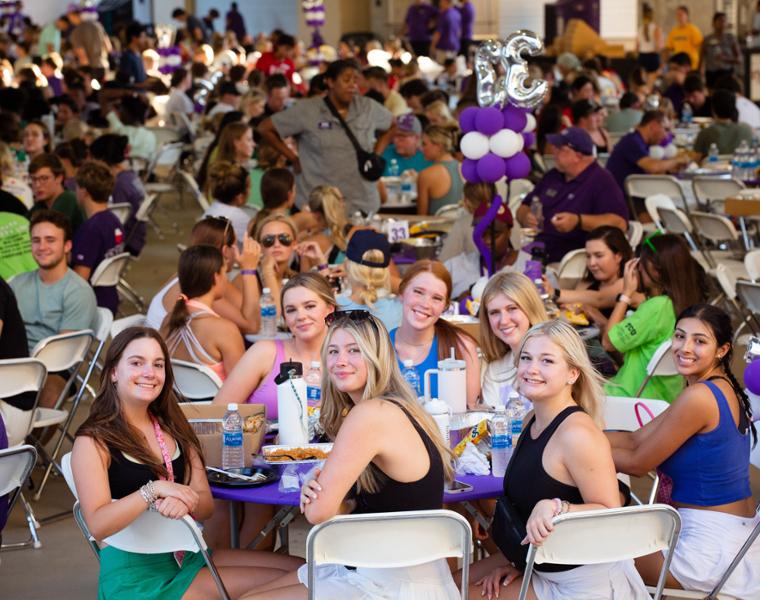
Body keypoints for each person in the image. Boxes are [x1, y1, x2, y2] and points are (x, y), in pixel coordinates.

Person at [240, 309, 459, 599]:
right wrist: (328, 497)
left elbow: (318, 514)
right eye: (333, 351)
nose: (340, 361)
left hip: (394, 583)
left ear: (376, 356)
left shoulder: (370, 414)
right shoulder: (397, 406)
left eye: (354, 350)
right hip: (389, 570)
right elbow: (357, 506)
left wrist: (319, 495)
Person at [71, 327, 302, 599]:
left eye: (158, 365)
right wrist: (154, 490)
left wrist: (185, 499)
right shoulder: (93, 441)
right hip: (137, 575)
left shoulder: (173, 426)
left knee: (304, 570)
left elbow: (205, 506)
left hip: (187, 554)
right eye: (136, 363)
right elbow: (98, 524)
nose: (149, 372)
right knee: (298, 587)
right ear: (113, 372)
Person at [465, 320, 649, 600]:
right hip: (542, 563)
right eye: (526, 358)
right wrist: (517, 562)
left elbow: (610, 512)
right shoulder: (531, 420)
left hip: (584, 583)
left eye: (547, 361)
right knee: (447, 586)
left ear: (572, 374)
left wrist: (557, 507)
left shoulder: (577, 434)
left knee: (451, 593)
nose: (531, 369)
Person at [608, 304, 758, 597]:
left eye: (699, 341)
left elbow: (638, 462)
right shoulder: (713, 387)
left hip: (707, 549)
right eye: (679, 336)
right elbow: (636, 440)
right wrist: (574, 433)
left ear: (722, 350)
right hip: (728, 536)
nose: (684, 347)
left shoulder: (700, 397)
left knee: (588, 557)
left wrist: (569, 453)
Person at [208, 274, 337, 549]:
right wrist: (263, 430)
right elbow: (220, 412)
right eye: (291, 310)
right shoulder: (266, 352)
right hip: (265, 463)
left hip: (328, 464)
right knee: (258, 515)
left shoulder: (344, 357)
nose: (300, 315)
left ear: (330, 309)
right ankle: (237, 578)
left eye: (309, 306)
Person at [258, 59, 394, 216]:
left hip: (360, 202)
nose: (352, 85)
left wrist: (376, 154)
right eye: (346, 79)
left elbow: (393, 125)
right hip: (319, 207)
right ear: (330, 82)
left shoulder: (368, 107)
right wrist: (293, 158)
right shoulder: (307, 110)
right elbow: (265, 128)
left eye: (355, 80)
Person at [603, 233, 707, 402]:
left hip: (629, 398)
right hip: (662, 400)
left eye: (641, 264)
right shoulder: (688, 304)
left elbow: (608, 343)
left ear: (656, 272)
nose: (638, 269)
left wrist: (626, 294)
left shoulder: (656, 308)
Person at [11, 210, 97, 410]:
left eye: (50, 240)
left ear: (67, 246)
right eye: (36, 240)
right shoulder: (17, 283)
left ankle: (29, 442)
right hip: (14, 359)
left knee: (50, 395)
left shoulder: (78, 291)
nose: (42, 247)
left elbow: (63, 353)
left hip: (54, 367)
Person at [517, 127, 628, 264]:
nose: (554, 152)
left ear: (578, 156)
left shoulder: (602, 181)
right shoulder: (553, 176)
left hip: (572, 258)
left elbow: (619, 223)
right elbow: (523, 207)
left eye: (560, 149)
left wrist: (578, 221)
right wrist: (526, 217)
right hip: (536, 250)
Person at [147, 217, 264, 335]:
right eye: (235, 245)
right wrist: (249, 269)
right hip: (165, 351)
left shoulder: (190, 271)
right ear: (225, 251)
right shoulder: (203, 281)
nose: (238, 250)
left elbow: (250, 311)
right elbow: (252, 326)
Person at [390, 260, 480, 407]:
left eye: (436, 298)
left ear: (445, 307)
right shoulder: (378, 347)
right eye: (418, 292)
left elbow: (470, 418)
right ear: (401, 292)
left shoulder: (462, 347)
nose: (425, 304)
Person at [160, 246, 244, 381]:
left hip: (176, 400)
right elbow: (241, 384)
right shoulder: (225, 329)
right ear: (216, 278)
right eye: (224, 273)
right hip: (218, 402)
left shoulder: (168, 319)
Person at [543, 226, 636, 328]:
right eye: (588, 256)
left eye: (599, 255)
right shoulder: (587, 283)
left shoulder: (629, 283)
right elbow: (569, 311)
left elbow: (599, 299)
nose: (591, 263)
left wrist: (553, 292)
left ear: (618, 256)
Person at [479, 272, 548, 407]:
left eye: (512, 308)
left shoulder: (556, 361)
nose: (503, 321)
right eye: (494, 312)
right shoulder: (494, 371)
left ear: (531, 309)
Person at [605, 111, 689, 209]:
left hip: (632, 197)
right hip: (623, 202)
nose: (666, 136)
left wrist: (670, 168)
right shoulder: (632, 141)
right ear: (653, 126)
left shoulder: (639, 141)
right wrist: (677, 160)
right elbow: (653, 167)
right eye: (665, 129)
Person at [71, 161, 124, 315]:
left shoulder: (90, 229)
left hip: (92, 303)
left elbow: (80, 278)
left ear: (84, 191)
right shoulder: (115, 221)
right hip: (110, 297)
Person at [89, 134, 147, 256]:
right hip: (138, 237)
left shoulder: (118, 185)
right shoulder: (130, 176)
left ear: (101, 160)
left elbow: (112, 222)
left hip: (128, 243)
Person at [337, 229, 401, 331]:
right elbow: (408, 286)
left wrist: (323, 267)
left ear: (347, 264)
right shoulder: (399, 307)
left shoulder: (336, 306)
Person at [28, 153, 84, 234]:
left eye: (44, 178)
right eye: (34, 179)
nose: (37, 185)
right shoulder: (40, 205)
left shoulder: (68, 199)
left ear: (59, 178)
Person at [202, 161, 254, 247]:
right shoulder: (241, 219)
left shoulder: (212, 209)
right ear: (239, 197)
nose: (250, 193)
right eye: (249, 188)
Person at [417, 124, 463, 215]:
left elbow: (421, 216)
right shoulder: (464, 168)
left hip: (437, 228)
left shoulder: (426, 175)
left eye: (424, 144)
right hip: (463, 227)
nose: (422, 149)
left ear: (438, 146)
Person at [693, 89, 753, 158]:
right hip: (742, 167)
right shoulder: (746, 129)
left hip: (712, 168)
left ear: (713, 109)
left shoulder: (705, 134)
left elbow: (695, 159)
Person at [105, 95, 157, 162]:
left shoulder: (120, 131)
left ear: (126, 113)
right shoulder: (151, 136)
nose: (119, 113)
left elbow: (104, 99)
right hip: (143, 171)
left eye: (121, 110)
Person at [305, 185, 348, 265]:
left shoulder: (309, 244)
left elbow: (304, 277)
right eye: (342, 200)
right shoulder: (354, 233)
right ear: (340, 206)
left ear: (314, 214)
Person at [701, 12, 741, 89]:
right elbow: (701, 58)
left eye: (724, 21)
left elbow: (739, 59)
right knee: (712, 95)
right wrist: (699, 73)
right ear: (713, 23)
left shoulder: (731, 38)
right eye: (720, 20)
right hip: (711, 73)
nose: (722, 23)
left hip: (727, 73)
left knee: (726, 95)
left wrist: (725, 59)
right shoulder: (707, 40)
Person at [68, 7, 111, 75]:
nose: (69, 19)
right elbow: (108, 47)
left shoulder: (77, 31)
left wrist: (85, 73)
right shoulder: (99, 26)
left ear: (77, 15)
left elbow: (82, 55)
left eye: (70, 16)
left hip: (90, 69)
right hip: (104, 65)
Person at [666, 5, 703, 71]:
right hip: (678, 65)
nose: (679, 16)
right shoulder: (673, 31)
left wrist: (701, 65)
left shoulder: (693, 30)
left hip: (691, 65)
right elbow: (669, 48)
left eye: (681, 14)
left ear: (687, 16)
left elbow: (700, 47)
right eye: (677, 14)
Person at [662, 52, 692, 117]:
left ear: (687, 67)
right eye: (670, 70)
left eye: (675, 69)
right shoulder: (672, 88)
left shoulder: (694, 82)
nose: (672, 73)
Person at [637, 3, 663, 75]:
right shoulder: (656, 28)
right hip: (652, 57)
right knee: (651, 82)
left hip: (642, 57)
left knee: (643, 80)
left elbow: (637, 47)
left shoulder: (640, 29)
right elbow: (658, 47)